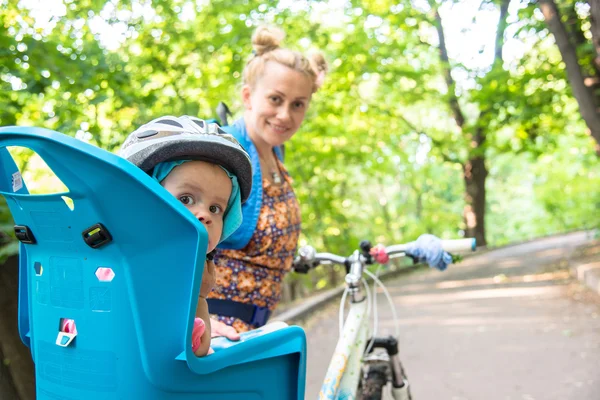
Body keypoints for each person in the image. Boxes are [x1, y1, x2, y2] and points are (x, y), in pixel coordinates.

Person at [206, 25, 328, 338]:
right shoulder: (224, 152)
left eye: (298, 104)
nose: (285, 115)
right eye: (275, 99)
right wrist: (196, 321)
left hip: (254, 331)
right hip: (216, 332)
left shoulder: (276, 155)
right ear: (248, 96)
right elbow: (175, 238)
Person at [118, 115, 253, 356]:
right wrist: (200, 296)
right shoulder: (139, 270)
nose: (204, 215)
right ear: (143, 202)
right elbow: (197, 351)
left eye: (216, 208)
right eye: (186, 199)